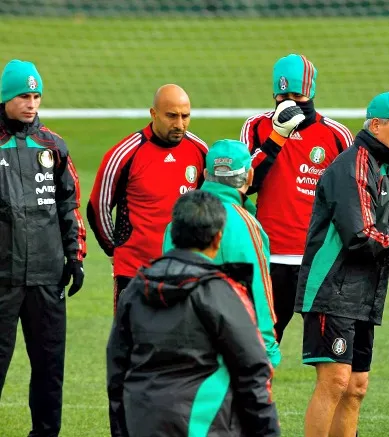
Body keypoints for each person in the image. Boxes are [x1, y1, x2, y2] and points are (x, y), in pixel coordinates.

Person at [296, 92, 389, 437]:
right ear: (375, 126)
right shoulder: (353, 166)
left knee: (356, 386)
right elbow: (359, 234)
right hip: (332, 289)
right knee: (335, 381)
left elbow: (384, 231)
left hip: (362, 291)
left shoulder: (386, 167)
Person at [107, 190, 280, 437]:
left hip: (143, 420)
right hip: (205, 422)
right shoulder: (221, 292)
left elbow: (117, 368)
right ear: (218, 238)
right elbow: (252, 368)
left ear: (173, 233)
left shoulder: (135, 289)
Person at [0, 59, 87, 437]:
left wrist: (75, 257)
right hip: (2, 279)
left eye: (36, 97)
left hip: (47, 278)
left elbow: (69, 205)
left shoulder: (54, 145)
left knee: (50, 371)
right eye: (23, 96)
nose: (31, 104)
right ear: (5, 98)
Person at [240, 54, 353, 343]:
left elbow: (352, 199)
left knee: (329, 351)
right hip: (269, 258)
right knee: (260, 347)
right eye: (283, 96)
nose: (290, 103)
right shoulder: (256, 127)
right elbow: (244, 186)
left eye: (298, 96)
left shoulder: (336, 135)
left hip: (318, 260)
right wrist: (276, 138)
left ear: (311, 93)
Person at [87, 84, 207, 314]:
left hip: (183, 272)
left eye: (185, 116)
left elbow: (209, 208)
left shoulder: (199, 150)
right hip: (135, 272)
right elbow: (98, 207)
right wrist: (114, 250)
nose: (179, 124)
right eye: (171, 116)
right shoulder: (125, 154)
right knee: (132, 337)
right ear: (153, 114)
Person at [162, 139, 280, 367]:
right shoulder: (245, 224)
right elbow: (258, 290)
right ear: (249, 176)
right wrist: (267, 351)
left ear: (206, 174)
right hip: (229, 349)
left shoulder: (177, 220)